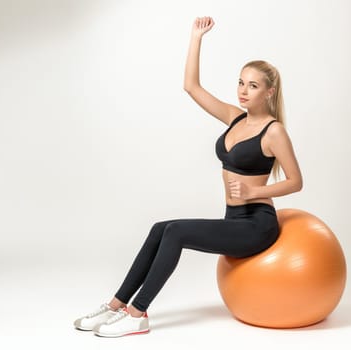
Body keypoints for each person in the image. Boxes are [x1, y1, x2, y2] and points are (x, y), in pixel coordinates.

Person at [73, 16, 302, 338]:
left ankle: (138, 314)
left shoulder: (274, 131)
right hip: (233, 217)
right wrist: (196, 38)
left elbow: (296, 181)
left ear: (269, 92)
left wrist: (252, 194)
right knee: (160, 228)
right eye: (240, 82)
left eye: (253, 85)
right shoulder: (235, 118)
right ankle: (115, 305)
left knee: (176, 232)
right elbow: (191, 87)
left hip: (257, 225)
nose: (243, 90)